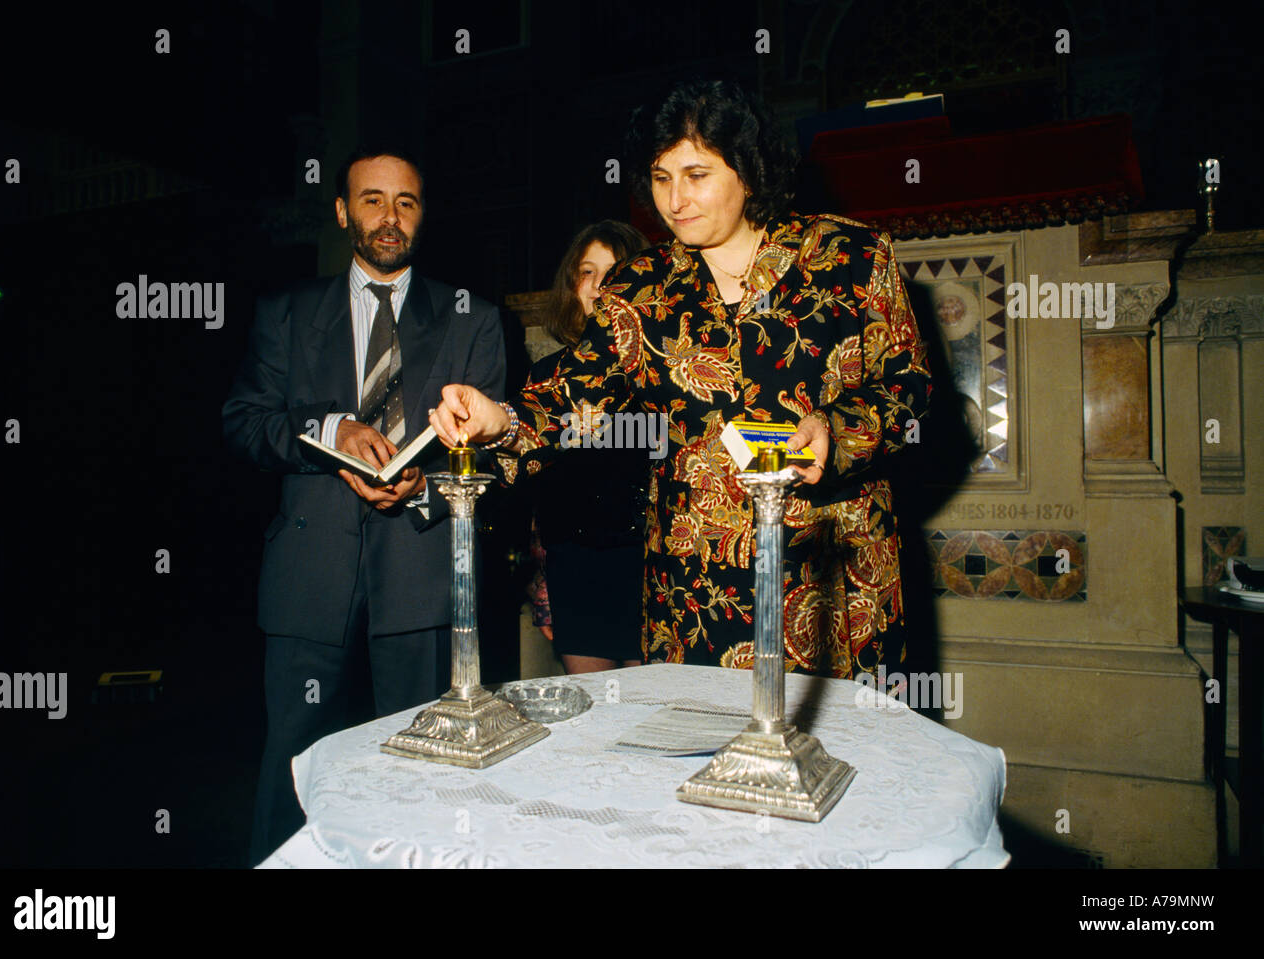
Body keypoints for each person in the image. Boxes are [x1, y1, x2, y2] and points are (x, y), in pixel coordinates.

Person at [432, 79, 931, 679]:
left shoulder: (850, 257)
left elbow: (910, 392)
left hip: (831, 572)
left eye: (696, 175)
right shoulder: (641, 288)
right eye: (661, 177)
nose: (674, 199)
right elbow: (576, 389)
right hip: (696, 590)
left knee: (838, 761)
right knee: (701, 758)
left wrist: (838, 433)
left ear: (747, 171)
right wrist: (502, 419)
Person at [223, 146, 505, 865]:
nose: (389, 216)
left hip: (421, 578)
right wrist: (324, 428)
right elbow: (243, 421)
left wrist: (425, 494)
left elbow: (499, 456)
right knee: (292, 765)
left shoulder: (472, 318)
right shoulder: (285, 313)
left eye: (406, 201)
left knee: (420, 771)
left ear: (422, 214)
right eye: (373, 200)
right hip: (306, 580)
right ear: (345, 210)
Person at [526, 221, 649, 674]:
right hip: (574, 570)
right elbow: (539, 491)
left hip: (648, 572)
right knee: (594, 721)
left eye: (613, 272)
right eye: (587, 272)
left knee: (658, 718)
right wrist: (541, 585)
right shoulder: (546, 377)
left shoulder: (660, 372)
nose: (598, 286)